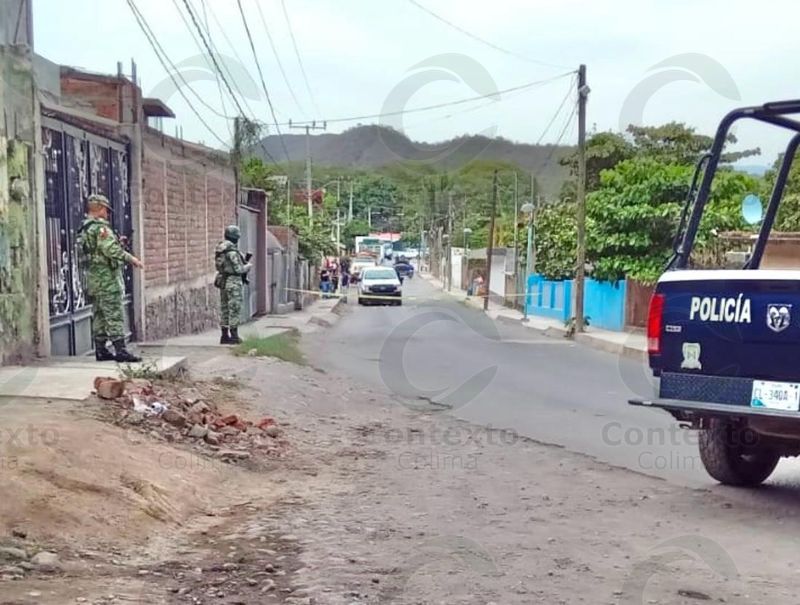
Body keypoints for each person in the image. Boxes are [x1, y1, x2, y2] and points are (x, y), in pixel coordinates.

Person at [78, 193, 144, 362]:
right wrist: (131, 259)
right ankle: (121, 350)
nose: (107, 213)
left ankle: (101, 350)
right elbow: (110, 250)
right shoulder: (101, 228)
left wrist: (117, 242)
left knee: (99, 315)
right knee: (114, 313)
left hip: (94, 279)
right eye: (106, 210)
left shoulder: (86, 228)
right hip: (106, 279)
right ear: (99, 208)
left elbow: (96, 250)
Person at [214, 225, 252, 345]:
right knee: (234, 308)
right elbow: (238, 269)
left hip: (223, 281)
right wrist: (248, 267)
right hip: (233, 282)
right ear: (235, 237)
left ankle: (224, 335)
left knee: (224, 308)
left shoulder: (221, 249)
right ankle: (234, 336)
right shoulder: (232, 252)